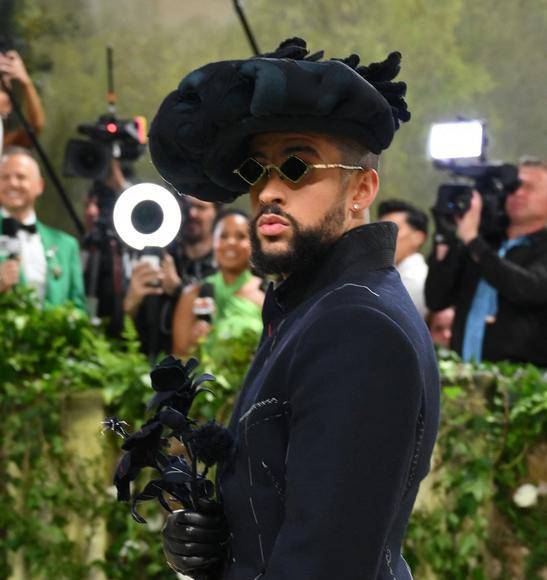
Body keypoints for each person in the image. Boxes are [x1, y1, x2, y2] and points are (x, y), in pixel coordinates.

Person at [149, 38, 440, 579]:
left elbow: (324, 564)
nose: (270, 190)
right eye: (257, 171)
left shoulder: (357, 328)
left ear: (361, 189)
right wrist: (223, 536)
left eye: (297, 165)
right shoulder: (312, 309)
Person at [425, 159, 547, 366]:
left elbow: (530, 289)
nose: (517, 193)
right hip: (465, 378)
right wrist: (446, 238)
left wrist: (474, 243)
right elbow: (436, 299)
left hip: (526, 386)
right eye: (513, 186)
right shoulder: (484, 241)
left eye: (529, 187)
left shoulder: (479, 246)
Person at [123, 196, 218, 359]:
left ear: (217, 213)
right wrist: (131, 303)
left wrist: (179, 290)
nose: (192, 214)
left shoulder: (223, 265)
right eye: (187, 207)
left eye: (201, 207)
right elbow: (123, 335)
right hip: (150, 366)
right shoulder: (159, 258)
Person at [172, 208, 264, 357]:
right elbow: (179, 358)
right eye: (223, 236)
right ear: (213, 243)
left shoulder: (268, 294)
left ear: (254, 245)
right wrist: (193, 342)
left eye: (241, 236)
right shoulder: (193, 294)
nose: (231, 242)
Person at [0, 147, 85, 309]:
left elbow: (79, 308)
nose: (12, 183)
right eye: (4, 177)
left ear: (39, 185)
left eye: (21, 177)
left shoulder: (66, 245)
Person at [378, 199, 429, 316]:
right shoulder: (395, 275)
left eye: (391, 229)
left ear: (418, 237)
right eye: (381, 229)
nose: (383, 236)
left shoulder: (415, 280)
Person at [0, 50, 45, 149]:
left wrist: (26, 83)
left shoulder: (5, 143)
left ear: (8, 106)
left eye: (2, 89)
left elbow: (35, 127)